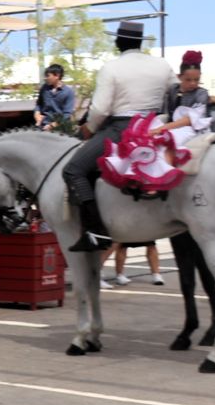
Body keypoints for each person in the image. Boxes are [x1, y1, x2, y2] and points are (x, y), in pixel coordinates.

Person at [61, 21, 174, 252]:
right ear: (139, 42)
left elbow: (101, 109)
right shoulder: (162, 65)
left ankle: (95, 232)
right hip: (154, 127)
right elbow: (174, 92)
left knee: (73, 169)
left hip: (121, 128)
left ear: (118, 42)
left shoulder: (112, 67)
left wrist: (89, 129)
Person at [160, 50, 213, 150]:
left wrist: (159, 129)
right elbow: (168, 114)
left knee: (168, 143)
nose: (193, 83)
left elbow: (188, 121)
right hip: (171, 127)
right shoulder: (173, 90)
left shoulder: (201, 93)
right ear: (179, 77)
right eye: (188, 80)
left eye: (196, 80)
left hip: (192, 130)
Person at [35, 63, 77, 130]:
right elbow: (39, 104)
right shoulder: (44, 88)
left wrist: (52, 125)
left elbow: (67, 114)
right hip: (42, 126)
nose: (45, 78)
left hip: (60, 129)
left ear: (57, 75)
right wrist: (37, 114)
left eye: (48, 76)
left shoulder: (69, 92)